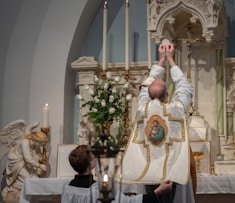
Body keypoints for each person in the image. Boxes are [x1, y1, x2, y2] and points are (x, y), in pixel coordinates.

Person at [116, 40, 196, 203]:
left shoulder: (142, 110)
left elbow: (144, 88)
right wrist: (170, 59)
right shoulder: (177, 109)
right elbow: (185, 87)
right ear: (168, 95)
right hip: (173, 172)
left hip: (149, 172)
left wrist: (160, 61)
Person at [61, 144, 173, 203]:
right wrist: (158, 192)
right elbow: (129, 202)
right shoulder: (99, 189)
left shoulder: (67, 188)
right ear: (91, 164)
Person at [1, 121, 48, 201]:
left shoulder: (34, 145)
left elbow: (36, 157)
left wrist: (44, 156)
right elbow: (27, 158)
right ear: (38, 141)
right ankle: (8, 189)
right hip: (17, 163)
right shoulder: (25, 142)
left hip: (26, 164)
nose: (41, 146)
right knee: (27, 180)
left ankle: (23, 195)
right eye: (42, 143)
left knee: (35, 179)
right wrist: (40, 165)